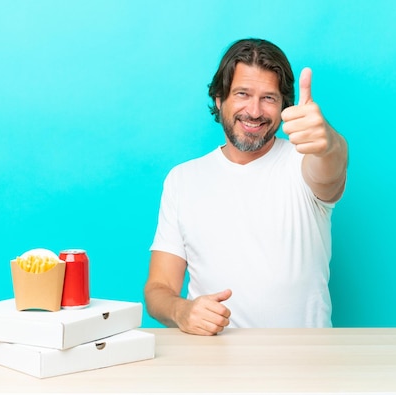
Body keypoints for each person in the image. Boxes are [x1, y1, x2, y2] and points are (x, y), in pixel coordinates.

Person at [144, 38, 348, 335]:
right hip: (212, 366)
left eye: (268, 98)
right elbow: (158, 288)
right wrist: (182, 310)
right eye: (242, 94)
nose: (254, 111)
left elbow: (332, 168)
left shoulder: (303, 162)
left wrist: (328, 141)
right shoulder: (182, 179)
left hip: (305, 366)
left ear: (283, 106)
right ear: (219, 98)